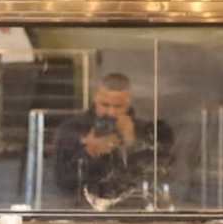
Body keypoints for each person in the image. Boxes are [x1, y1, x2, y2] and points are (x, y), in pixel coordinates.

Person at [57, 70, 174, 210]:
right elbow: (62, 182)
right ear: (95, 99)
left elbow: (161, 178)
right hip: (84, 209)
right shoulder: (73, 129)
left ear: (128, 103)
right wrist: (89, 152)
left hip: (136, 208)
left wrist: (132, 142)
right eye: (105, 105)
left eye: (118, 106)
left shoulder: (146, 130)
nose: (111, 112)